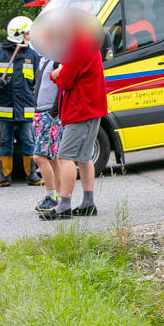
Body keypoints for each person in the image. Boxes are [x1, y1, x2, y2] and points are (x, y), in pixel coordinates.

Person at [40, 27, 108, 220]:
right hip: (89, 107)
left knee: (65, 157)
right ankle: (88, 202)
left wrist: (56, 75)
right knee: (84, 157)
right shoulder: (86, 43)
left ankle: (64, 205)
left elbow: (66, 79)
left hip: (80, 109)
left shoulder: (78, 46)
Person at [0, 16, 43, 187]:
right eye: (28, 33)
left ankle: (32, 175)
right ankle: (4, 176)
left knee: (28, 140)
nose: (30, 36)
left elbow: (37, 83)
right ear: (18, 34)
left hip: (26, 107)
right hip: (5, 107)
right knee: (5, 140)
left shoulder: (32, 55)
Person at [32, 55, 62, 212]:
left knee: (39, 156)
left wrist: (53, 112)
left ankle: (51, 196)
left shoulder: (57, 58)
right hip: (40, 111)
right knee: (52, 158)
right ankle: (58, 195)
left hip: (48, 112)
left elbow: (61, 85)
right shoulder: (44, 58)